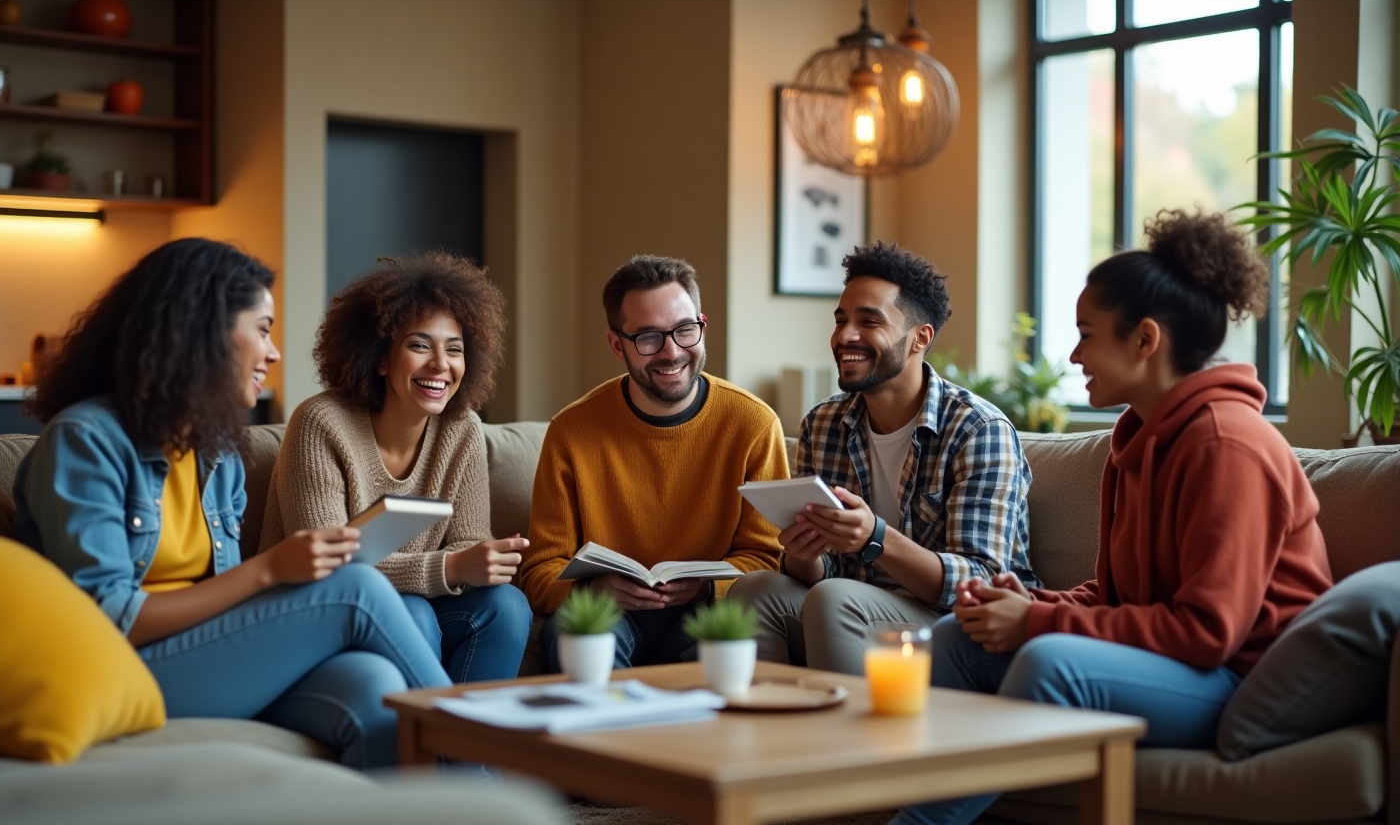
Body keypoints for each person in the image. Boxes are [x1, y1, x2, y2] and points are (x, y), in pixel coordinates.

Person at [891, 210, 1333, 825]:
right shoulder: (1134, 439)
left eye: (1086, 333)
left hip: (1239, 680)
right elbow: (1118, 594)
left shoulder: (1226, 444)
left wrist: (1042, 624)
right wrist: (1035, 602)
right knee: (954, 638)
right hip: (1179, 663)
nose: (1073, 354)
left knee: (1052, 663)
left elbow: (1209, 631)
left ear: (1145, 339)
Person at [12, 238, 451, 769]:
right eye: (263, 330)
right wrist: (269, 570)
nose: (274, 352)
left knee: (374, 685)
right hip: (116, 668)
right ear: (202, 333)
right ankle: (493, 782)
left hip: (201, 653)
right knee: (357, 588)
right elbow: (112, 616)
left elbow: (219, 594)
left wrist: (287, 579)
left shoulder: (215, 451)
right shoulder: (86, 440)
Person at [729, 241, 1038, 674]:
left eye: (868, 321)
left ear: (920, 338)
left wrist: (875, 537)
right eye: (841, 321)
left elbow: (979, 580)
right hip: (851, 607)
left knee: (835, 600)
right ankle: (769, 732)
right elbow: (824, 571)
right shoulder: (823, 423)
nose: (845, 336)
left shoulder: (978, 430)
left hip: (956, 625)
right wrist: (804, 553)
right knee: (754, 590)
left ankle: (855, 741)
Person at [261, 252, 531, 684]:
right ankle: (429, 742)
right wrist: (450, 568)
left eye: (455, 349)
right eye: (420, 345)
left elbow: (467, 542)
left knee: (508, 606)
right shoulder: (320, 424)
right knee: (415, 614)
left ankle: (471, 747)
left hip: (409, 602)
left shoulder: (461, 430)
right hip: (312, 612)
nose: (441, 364)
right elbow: (326, 571)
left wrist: (484, 559)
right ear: (380, 357)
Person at [516, 254, 790, 669]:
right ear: (616, 344)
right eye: (647, 337)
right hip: (606, 614)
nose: (671, 351)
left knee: (727, 639)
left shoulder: (753, 424)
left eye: (684, 331)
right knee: (575, 631)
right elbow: (538, 572)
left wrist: (704, 587)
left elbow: (769, 558)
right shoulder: (571, 431)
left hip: (705, 612)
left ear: (702, 325)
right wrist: (597, 590)